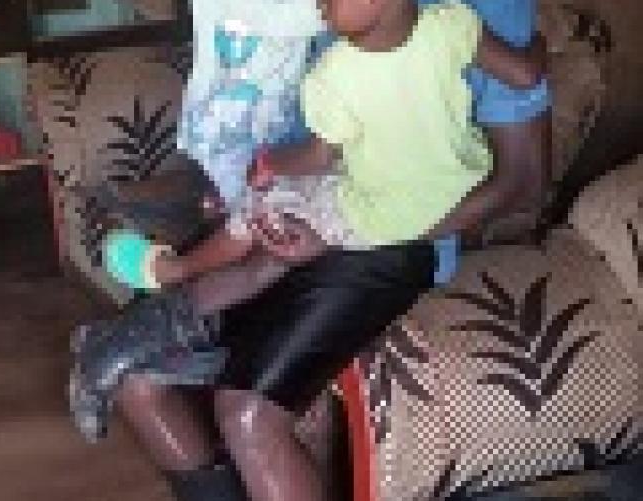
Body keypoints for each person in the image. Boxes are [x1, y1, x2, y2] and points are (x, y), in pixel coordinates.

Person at [72, 2, 551, 501]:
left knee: (247, 413)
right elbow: (281, 123)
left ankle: (173, 287)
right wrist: (245, 190)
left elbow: (523, 183)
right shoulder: (328, 27)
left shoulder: (473, 14)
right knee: (135, 382)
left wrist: (356, 232)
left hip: (394, 240)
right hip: (299, 206)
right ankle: (170, 299)